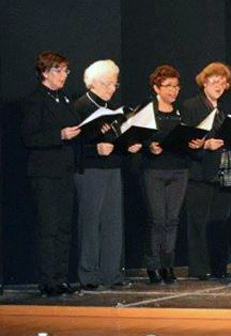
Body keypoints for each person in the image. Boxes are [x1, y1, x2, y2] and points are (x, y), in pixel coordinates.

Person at [181, 62, 231, 280]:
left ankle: (219, 266)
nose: (219, 86)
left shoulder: (230, 108)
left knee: (220, 221)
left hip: (226, 170)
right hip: (201, 171)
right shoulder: (190, 106)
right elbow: (184, 142)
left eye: (223, 82)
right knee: (199, 222)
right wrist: (205, 145)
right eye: (214, 81)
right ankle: (200, 268)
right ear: (204, 82)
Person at [73, 60, 140, 290]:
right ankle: (89, 275)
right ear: (92, 83)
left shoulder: (112, 108)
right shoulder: (80, 106)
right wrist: (95, 149)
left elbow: (115, 140)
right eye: (108, 84)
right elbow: (73, 144)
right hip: (90, 170)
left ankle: (112, 274)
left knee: (113, 222)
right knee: (90, 223)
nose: (112, 88)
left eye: (115, 84)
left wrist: (128, 145)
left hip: (113, 168)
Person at [21, 51, 81, 297]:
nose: (64, 75)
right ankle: (47, 281)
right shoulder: (35, 100)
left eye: (66, 70)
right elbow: (29, 137)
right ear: (45, 72)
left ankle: (61, 277)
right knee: (49, 227)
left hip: (65, 170)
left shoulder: (64, 98)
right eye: (59, 70)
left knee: (65, 227)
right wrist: (59, 135)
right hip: (45, 173)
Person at [142, 65, 191, 284]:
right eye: (168, 86)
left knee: (172, 219)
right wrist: (149, 146)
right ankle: (153, 265)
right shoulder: (148, 111)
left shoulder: (182, 111)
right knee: (157, 219)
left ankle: (168, 265)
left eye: (176, 86)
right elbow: (138, 137)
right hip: (154, 170)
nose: (173, 90)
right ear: (156, 88)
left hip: (179, 170)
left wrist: (193, 142)